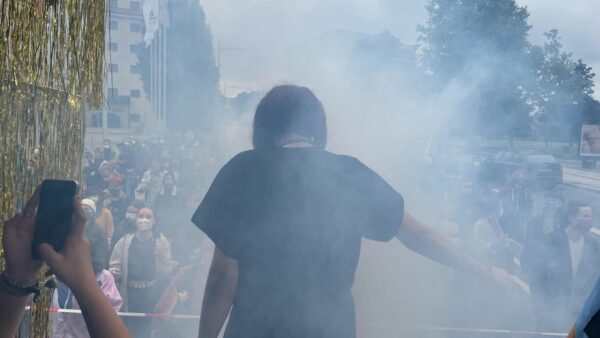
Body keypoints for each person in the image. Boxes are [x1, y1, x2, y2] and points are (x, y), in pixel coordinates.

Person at [192, 85, 515, 338]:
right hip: (329, 329)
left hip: (256, 329)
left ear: (263, 127)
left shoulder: (242, 171)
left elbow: (223, 278)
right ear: (316, 126)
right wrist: (483, 272)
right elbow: (419, 235)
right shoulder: (349, 173)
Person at [0, 188, 131, 338]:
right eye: (84, 208)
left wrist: (19, 275)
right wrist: (83, 284)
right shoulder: (64, 283)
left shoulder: (103, 270)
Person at [525, 201, 600, 331]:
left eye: (591, 216)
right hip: (550, 311)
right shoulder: (551, 241)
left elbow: (593, 279)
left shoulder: (593, 246)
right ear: (571, 219)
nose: (590, 220)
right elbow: (536, 276)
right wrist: (541, 306)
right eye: (585, 216)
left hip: (577, 313)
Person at [53, 199, 123, 337]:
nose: (85, 211)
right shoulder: (62, 277)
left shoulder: (104, 278)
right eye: (83, 207)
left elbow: (113, 308)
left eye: (89, 208)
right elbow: (58, 317)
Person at [110, 207, 177, 337]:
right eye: (141, 216)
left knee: (147, 328)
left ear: (154, 221)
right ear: (136, 220)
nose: (143, 220)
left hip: (151, 294)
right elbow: (115, 263)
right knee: (128, 326)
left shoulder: (161, 242)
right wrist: (115, 270)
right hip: (128, 293)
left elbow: (167, 271)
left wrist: (163, 257)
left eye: (148, 217)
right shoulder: (125, 242)